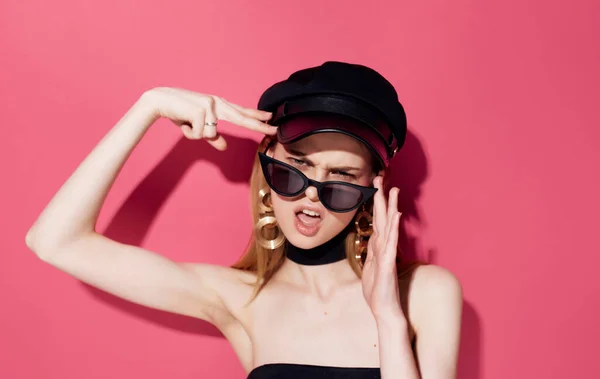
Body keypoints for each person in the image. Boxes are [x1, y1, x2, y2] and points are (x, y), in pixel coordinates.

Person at [25, 61, 463, 379]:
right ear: (267, 159)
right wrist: (150, 105)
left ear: (373, 187)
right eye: (295, 168)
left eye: (342, 179)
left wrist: (387, 317)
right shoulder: (240, 299)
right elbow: (55, 241)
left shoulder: (425, 293)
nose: (312, 194)